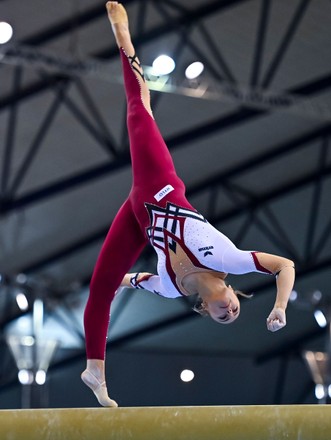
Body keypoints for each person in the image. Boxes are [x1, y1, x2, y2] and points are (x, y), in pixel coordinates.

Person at [81, 1, 295, 407]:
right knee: (138, 110)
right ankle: (123, 37)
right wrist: (280, 307)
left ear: (206, 311)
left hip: (138, 217)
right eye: (234, 309)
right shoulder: (230, 259)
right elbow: (286, 265)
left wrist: (116, 281)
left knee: (100, 288)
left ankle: (95, 370)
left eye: (223, 318)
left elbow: (131, 282)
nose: (229, 313)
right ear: (232, 293)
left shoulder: (170, 288)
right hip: (159, 185)